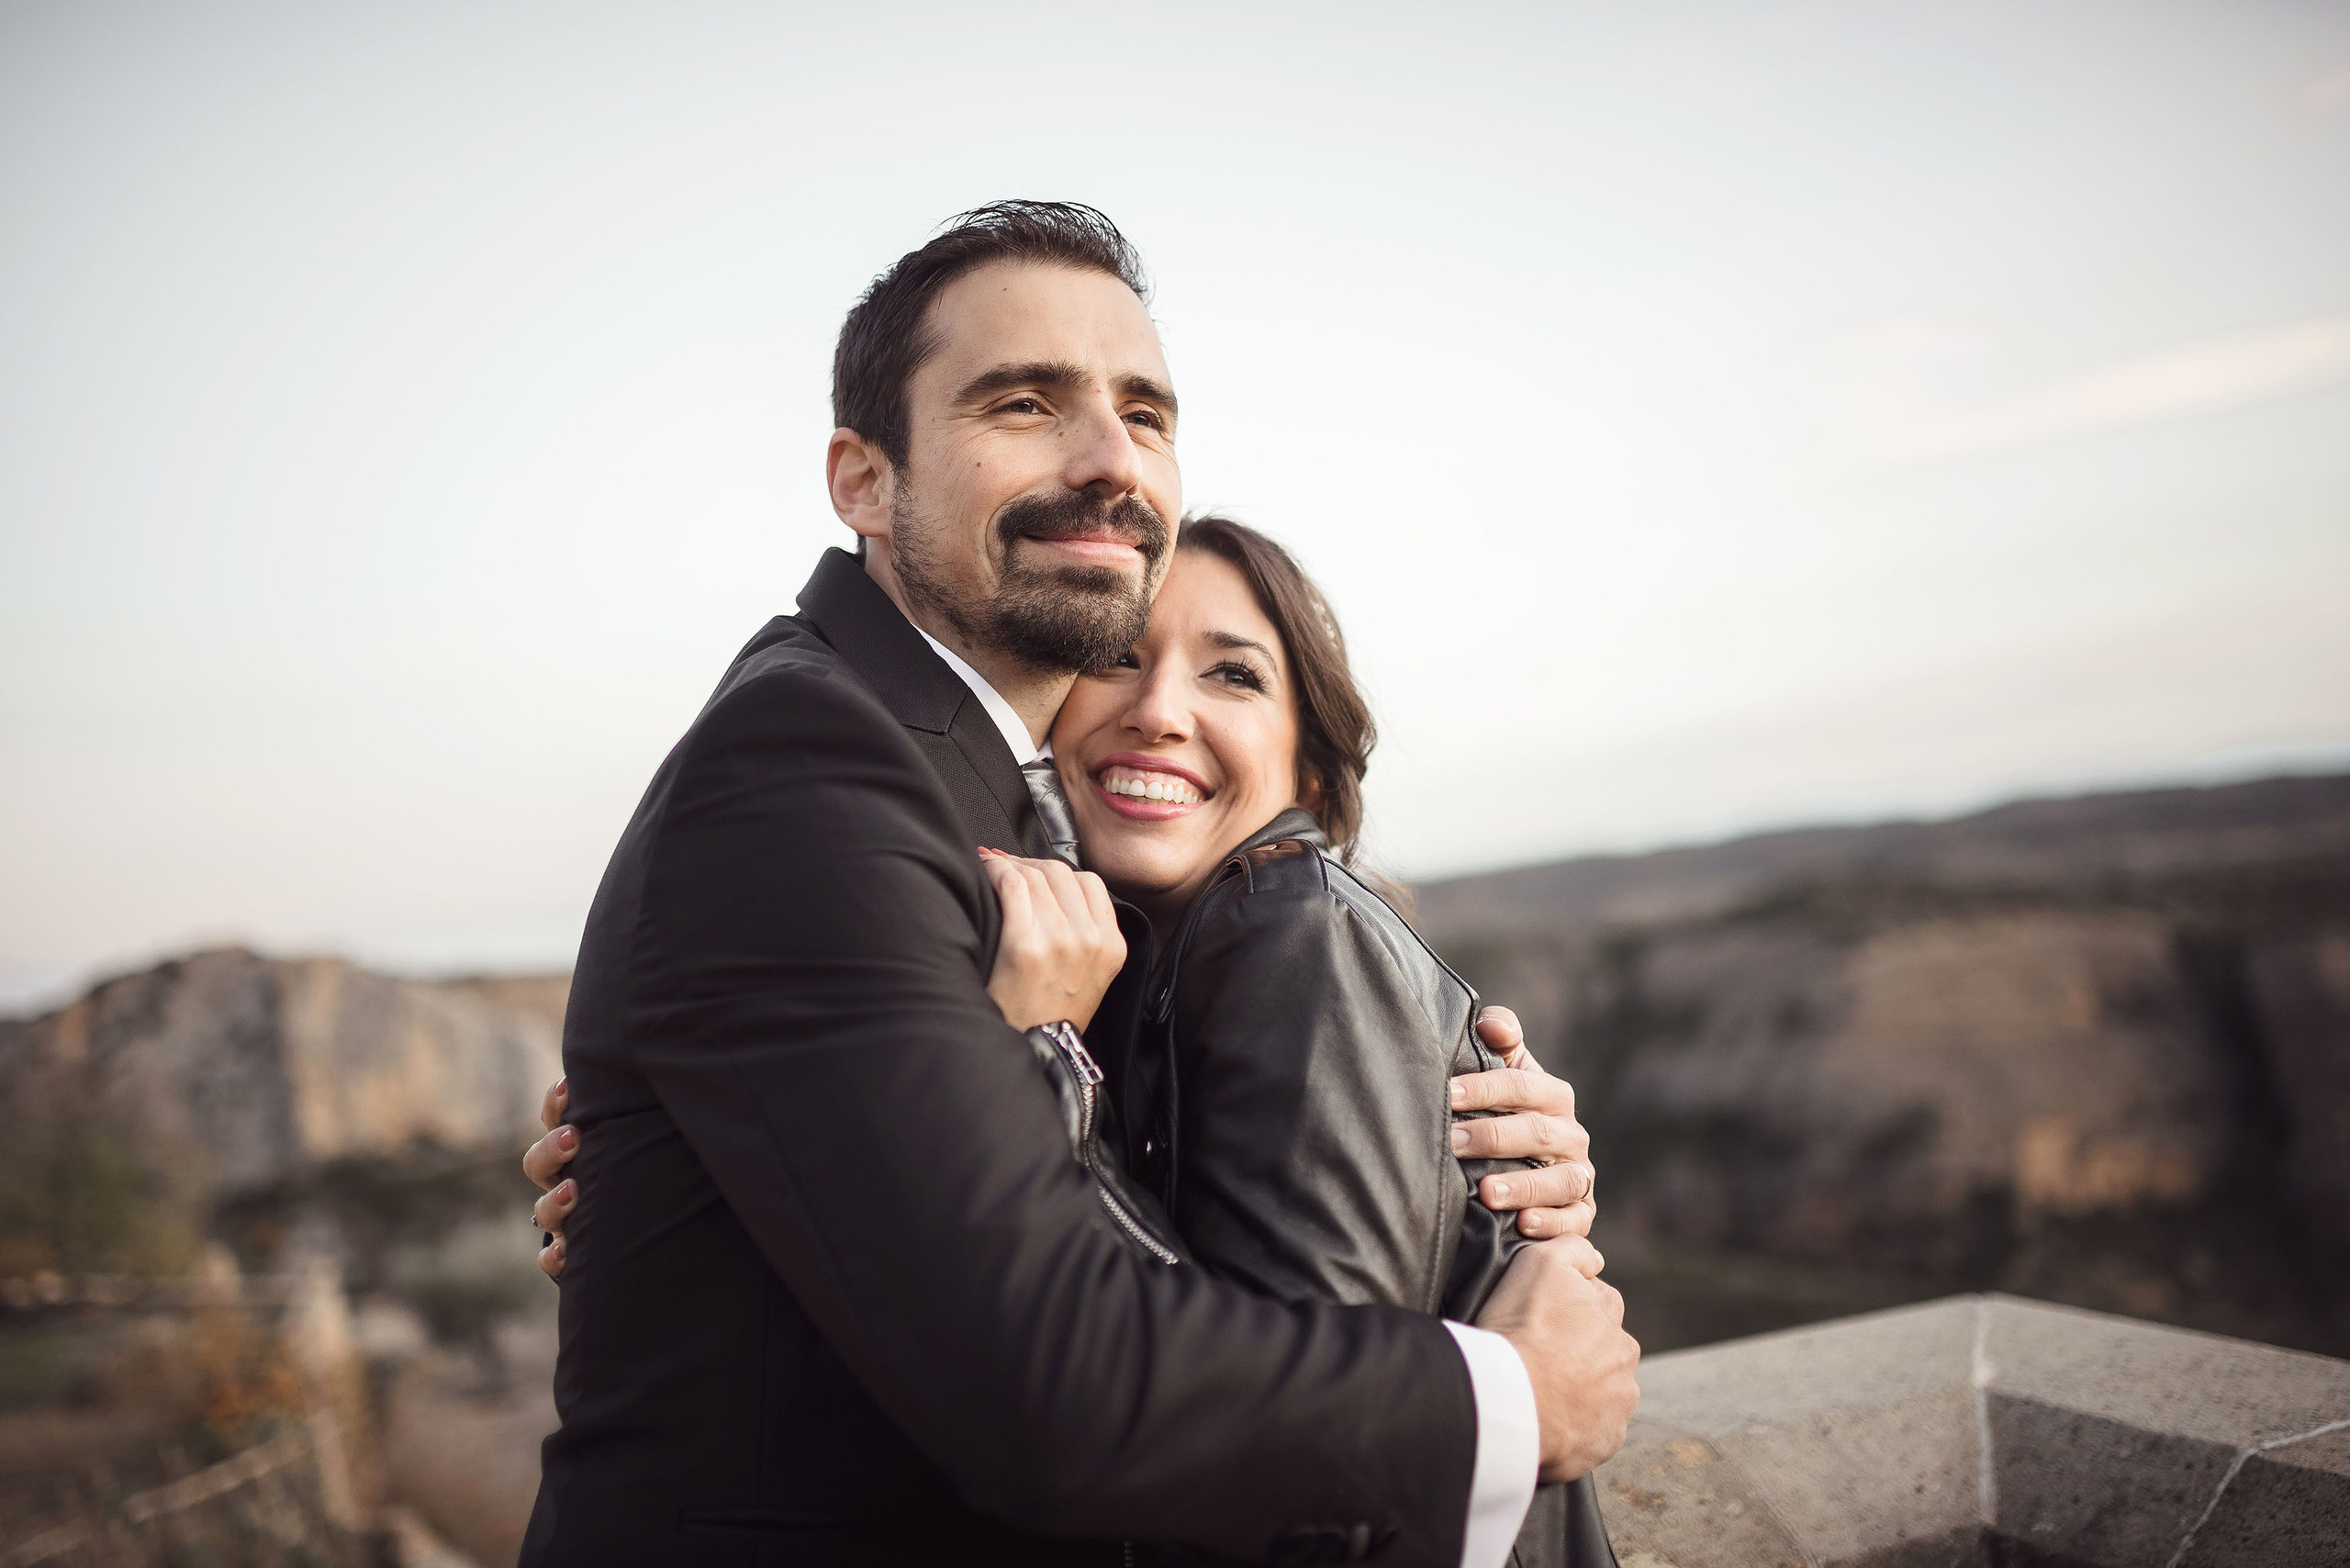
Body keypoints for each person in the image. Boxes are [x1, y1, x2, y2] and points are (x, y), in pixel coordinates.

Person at [516, 201, 1639, 1568]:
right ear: (864, 480)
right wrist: (1505, 1401)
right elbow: (1057, 1378)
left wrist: (1462, 1168)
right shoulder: (813, 762)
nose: (1110, 459)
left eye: (1145, 415)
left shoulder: (1030, 828)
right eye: (1024, 403)